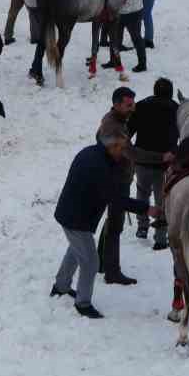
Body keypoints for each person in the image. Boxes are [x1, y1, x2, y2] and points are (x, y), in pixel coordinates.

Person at [51, 136, 152, 318]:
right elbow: (115, 199)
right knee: (90, 261)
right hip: (76, 217)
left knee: (76, 250)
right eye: (122, 150)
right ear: (112, 146)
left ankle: (61, 286)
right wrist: (146, 209)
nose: (124, 155)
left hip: (74, 213)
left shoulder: (94, 153)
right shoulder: (98, 166)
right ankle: (83, 304)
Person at [96, 86, 156, 283]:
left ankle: (101, 261)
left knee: (113, 221)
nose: (133, 109)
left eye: (133, 105)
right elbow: (132, 153)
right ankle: (112, 272)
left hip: (119, 178)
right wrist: (161, 156)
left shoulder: (118, 120)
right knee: (115, 225)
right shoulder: (112, 125)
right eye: (128, 105)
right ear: (116, 104)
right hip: (115, 181)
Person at [127, 77, 178, 247]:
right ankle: (161, 238)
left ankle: (142, 227)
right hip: (166, 163)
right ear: (170, 93)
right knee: (162, 200)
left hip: (141, 160)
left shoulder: (140, 106)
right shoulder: (176, 109)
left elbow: (128, 132)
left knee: (142, 193)